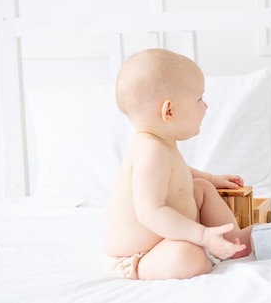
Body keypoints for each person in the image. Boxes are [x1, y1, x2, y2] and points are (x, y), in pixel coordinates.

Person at [105, 48, 253, 280]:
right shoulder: (150, 150)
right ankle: (208, 247)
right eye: (199, 99)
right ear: (169, 111)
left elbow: (178, 173)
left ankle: (232, 240)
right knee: (187, 255)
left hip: (167, 239)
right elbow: (151, 213)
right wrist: (202, 235)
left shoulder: (160, 143)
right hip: (142, 255)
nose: (206, 107)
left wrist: (212, 179)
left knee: (202, 187)